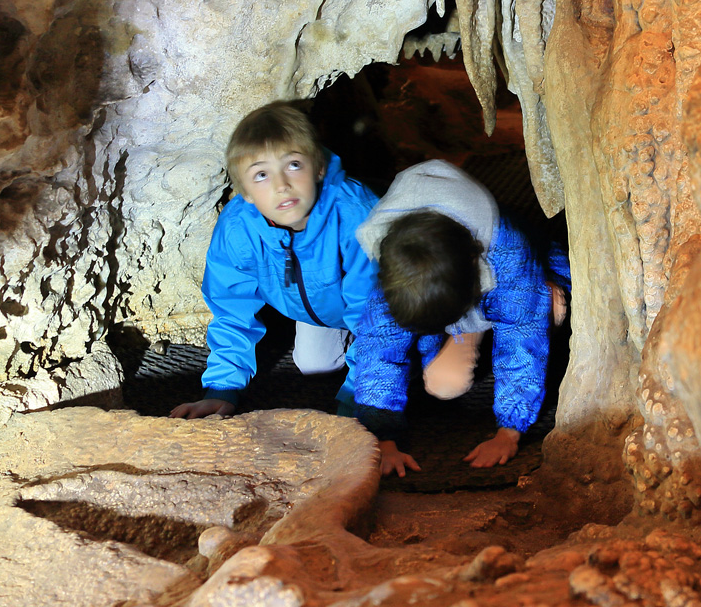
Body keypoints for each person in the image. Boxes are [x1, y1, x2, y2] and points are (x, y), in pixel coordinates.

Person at [349, 160, 567, 475]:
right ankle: (465, 333)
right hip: (460, 292)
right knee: (444, 384)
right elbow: (380, 345)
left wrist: (509, 431)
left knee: (546, 308)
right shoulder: (398, 264)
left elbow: (522, 336)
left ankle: (540, 291)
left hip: (514, 274)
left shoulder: (508, 252)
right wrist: (382, 437)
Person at [170, 101, 379, 419]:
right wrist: (222, 389)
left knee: (423, 375)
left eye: (293, 165)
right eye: (261, 174)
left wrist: (356, 404)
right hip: (325, 308)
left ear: (319, 167)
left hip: (398, 299)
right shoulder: (239, 229)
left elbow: (376, 316)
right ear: (246, 192)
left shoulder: (355, 216)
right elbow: (231, 310)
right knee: (314, 365)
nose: (281, 186)